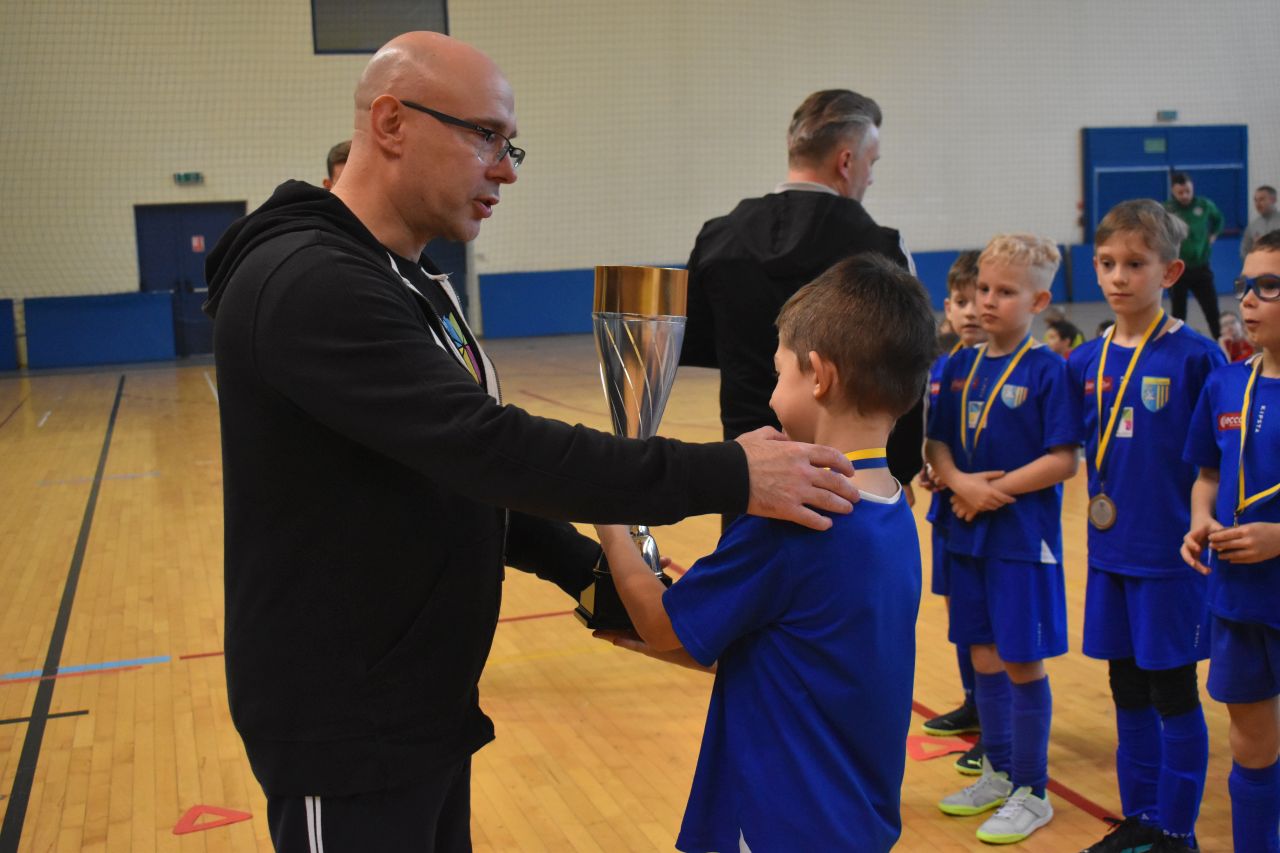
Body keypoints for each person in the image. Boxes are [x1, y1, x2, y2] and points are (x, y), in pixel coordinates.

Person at [203, 32, 861, 853]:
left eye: (509, 145)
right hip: (344, 725)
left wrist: (592, 577)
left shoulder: (406, 279)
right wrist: (729, 472)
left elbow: (453, 476)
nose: (506, 169)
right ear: (391, 123)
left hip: (416, 703)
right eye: (485, 136)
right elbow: (487, 447)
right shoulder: (310, 281)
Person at [595, 253, 937, 852]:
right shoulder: (893, 508)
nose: (773, 396)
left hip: (775, 819)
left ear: (819, 376)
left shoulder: (792, 521)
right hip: (854, 819)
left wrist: (611, 520)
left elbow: (659, 624)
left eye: (779, 373)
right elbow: (794, 658)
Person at [679, 88, 924, 526]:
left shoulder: (718, 237)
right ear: (846, 161)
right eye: (871, 163)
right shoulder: (881, 249)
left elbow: (695, 341)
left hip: (747, 475)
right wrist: (902, 471)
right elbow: (904, 371)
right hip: (850, 484)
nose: (870, 177)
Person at [1069, 200, 1225, 853]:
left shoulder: (1196, 358)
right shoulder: (1084, 361)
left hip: (1170, 560)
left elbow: (1222, 462)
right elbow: (1055, 447)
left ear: (1170, 271)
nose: (1118, 276)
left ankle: (1178, 831)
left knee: (1172, 691)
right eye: (1107, 263)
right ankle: (1140, 820)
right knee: (1125, 688)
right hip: (1109, 554)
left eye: (1135, 263)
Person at [926, 234, 1082, 845]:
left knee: (1020, 659)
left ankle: (1032, 790)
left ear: (1039, 301)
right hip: (964, 532)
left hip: (1018, 536)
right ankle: (997, 771)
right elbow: (936, 442)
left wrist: (993, 490)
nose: (988, 301)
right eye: (983, 289)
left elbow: (1064, 459)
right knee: (983, 656)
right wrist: (959, 480)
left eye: (1005, 292)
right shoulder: (956, 365)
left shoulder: (1049, 370)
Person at [1182, 229, 1280, 853]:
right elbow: (1209, 476)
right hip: (1239, 597)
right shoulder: (1226, 383)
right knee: (1250, 747)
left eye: (1268, 286)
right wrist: (1200, 518)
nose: (1247, 299)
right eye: (1245, 284)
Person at [919, 250, 989, 775]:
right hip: (948, 511)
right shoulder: (942, 367)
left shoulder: (1010, 367)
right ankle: (974, 702)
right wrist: (932, 469)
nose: (970, 311)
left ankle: (997, 723)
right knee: (960, 615)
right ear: (947, 308)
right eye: (960, 302)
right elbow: (936, 435)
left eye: (978, 299)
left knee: (991, 626)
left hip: (988, 513)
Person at [1166, 172, 1224, 339]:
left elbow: (1219, 219)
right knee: (1178, 314)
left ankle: (1222, 343)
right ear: (1173, 191)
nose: (1185, 195)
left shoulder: (1204, 205)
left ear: (1192, 188)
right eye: (1180, 192)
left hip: (1201, 268)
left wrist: (1214, 234)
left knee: (1212, 310)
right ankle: (1177, 346)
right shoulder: (1167, 209)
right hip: (1177, 270)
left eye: (1188, 191)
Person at [1240, 185, 1280, 258]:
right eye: (1256, 200)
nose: (1258, 204)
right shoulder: (1252, 227)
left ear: (1273, 200)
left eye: (1262, 199)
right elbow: (1245, 252)